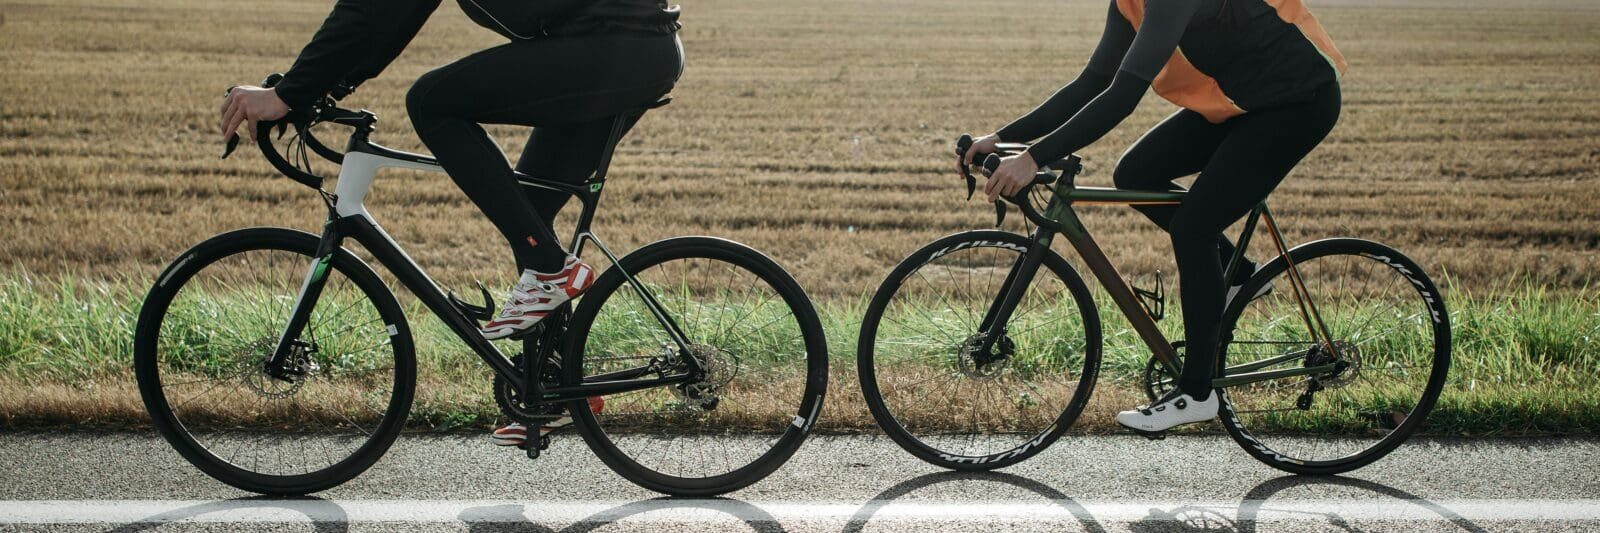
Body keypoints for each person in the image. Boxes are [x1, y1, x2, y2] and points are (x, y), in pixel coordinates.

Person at [216, 0, 684, 446]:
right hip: (624, 46)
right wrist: (311, 90)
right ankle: (557, 387)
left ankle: (550, 269)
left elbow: (375, 12)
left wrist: (289, 94)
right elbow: (387, 16)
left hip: (617, 46)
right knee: (530, 212)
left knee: (431, 101)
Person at [961, 0, 1345, 432]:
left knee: (1194, 226)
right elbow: (1094, 80)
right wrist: (1003, 139)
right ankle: (1236, 274)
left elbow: (1124, 96)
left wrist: (1034, 158)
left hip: (1297, 101)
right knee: (1136, 172)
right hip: (1244, 99)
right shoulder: (1128, 2)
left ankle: (1198, 392)